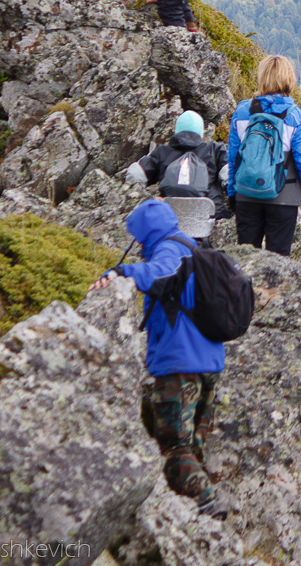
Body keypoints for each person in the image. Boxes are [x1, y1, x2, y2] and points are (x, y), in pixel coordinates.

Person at [88, 199, 227, 519]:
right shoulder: (193, 247)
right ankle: (194, 512)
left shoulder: (168, 251)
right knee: (193, 442)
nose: (135, 243)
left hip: (180, 366)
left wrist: (120, 271)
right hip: (210, 363)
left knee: (173, 444)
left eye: (137, 236)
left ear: (147, 233)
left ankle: (206, 502)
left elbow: (160, 272)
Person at [226, 55, 301, 255]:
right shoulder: (294, 115)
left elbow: (233, 156)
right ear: (289, 79)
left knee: (246, 259)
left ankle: (247, 287)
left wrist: (232, 192)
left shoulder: (242, 111)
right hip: (283, 196)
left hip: (247, 192)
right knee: (278, 262)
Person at [125, 110, 230, 219]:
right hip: (209, 217)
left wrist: (149, 198)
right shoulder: (215, 150)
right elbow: (230, 175)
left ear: (176, 131)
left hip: (170, 218)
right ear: (201, 135)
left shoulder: (162, 152)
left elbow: (135, 174)